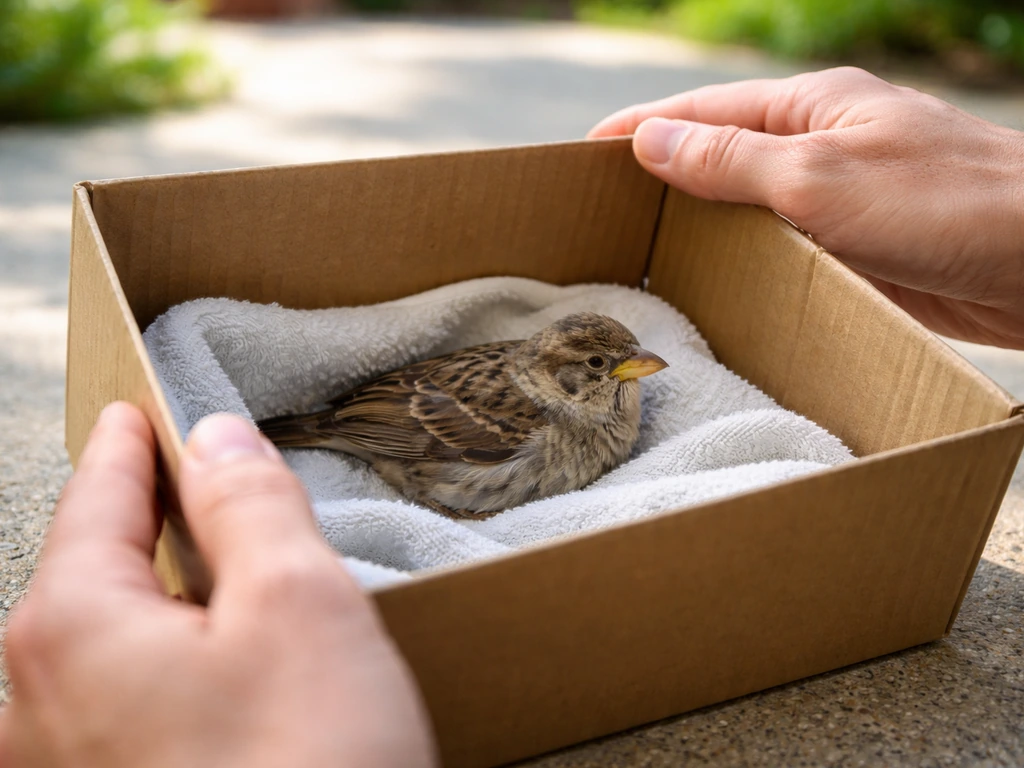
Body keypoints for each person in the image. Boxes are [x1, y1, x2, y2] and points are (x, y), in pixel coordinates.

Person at [2, 66, 1022, 766]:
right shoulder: (529, 417)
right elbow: (409, 418)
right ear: (561, 374)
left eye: (624, 359)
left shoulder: (620, 400)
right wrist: (315, 428)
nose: (634, 373)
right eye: (607, 367)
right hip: (387, 441)